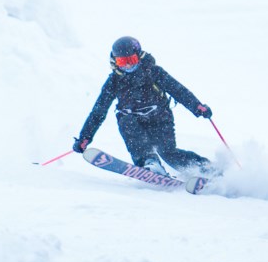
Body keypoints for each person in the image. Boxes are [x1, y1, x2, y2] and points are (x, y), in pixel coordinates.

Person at [73, 36, 215, 176]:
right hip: (134, 122)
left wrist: (197, 106)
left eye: (131, 60)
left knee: (168, 153)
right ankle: (149, 163)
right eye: (122, 61)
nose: (128, 65)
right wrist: (85, 137)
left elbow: (178, 90)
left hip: (160, 119)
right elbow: (98, 111)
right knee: (126, 121)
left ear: (139, 57)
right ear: (115, 61)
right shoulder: (114, 81)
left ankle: (206, 169)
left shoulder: (153, 72)